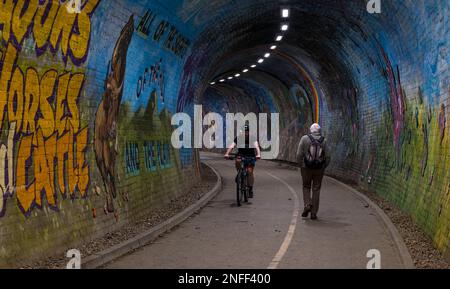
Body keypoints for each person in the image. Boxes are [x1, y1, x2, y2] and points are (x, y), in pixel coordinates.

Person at [296, 123, 330, 220]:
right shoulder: (324, 140)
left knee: (306, 186)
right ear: (319, 131)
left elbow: (299, 154)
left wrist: (301, 164)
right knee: (316, 189)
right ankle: (314, 213)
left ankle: (307, 204)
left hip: (306, 167)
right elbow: (328, 156)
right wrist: (323, 166)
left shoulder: (304, 138)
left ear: (310, 130)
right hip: (319, 169)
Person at [224, 125, 261, 198]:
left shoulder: (252, 138)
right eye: (244, 132)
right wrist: (227, 153)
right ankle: (239, 173)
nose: (245, 133)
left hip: (250, 157)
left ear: (249, 132)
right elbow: (232, 146)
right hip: (241, 155)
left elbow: (257, 147)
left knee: (250, 172)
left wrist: (258, 154)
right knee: (238, 160)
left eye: (247, 132)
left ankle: (250, 189)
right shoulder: (238, 138)